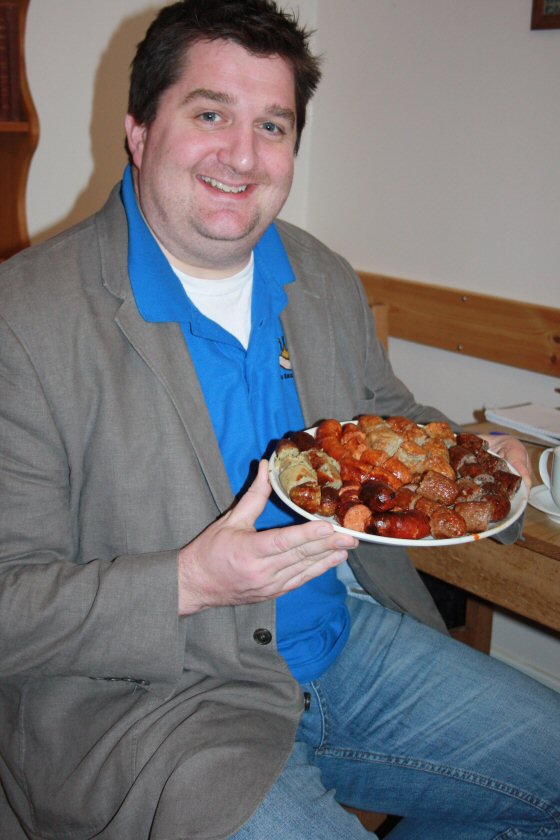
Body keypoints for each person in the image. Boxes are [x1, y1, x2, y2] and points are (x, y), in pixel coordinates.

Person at [0, 1, 557, 838]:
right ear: (139, 131)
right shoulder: (22, 319)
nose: (243, 155)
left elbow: (388, 423)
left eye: (272, 125)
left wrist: (484, 458)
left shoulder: (320, 276)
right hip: (150, 706)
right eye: (210, 114)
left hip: (343, 643)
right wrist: (190, 581)